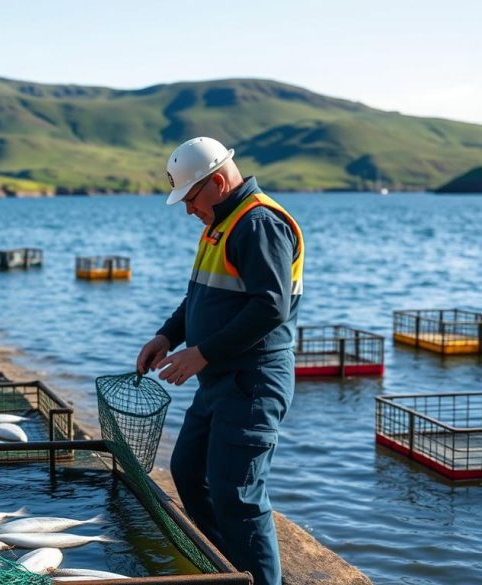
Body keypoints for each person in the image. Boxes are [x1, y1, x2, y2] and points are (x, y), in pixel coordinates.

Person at [135, 137, 304, 585]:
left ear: (218, 181)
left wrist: (201, 353)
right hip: (219, 381)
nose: (189, 209)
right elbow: (200, 295)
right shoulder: (220, 224)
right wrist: (167, 335)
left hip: (253, 381)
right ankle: (232, 569)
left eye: (191, 197)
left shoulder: (258, 224)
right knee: (189, 472)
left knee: (238, 496)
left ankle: (260, 580)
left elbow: (271, 308)